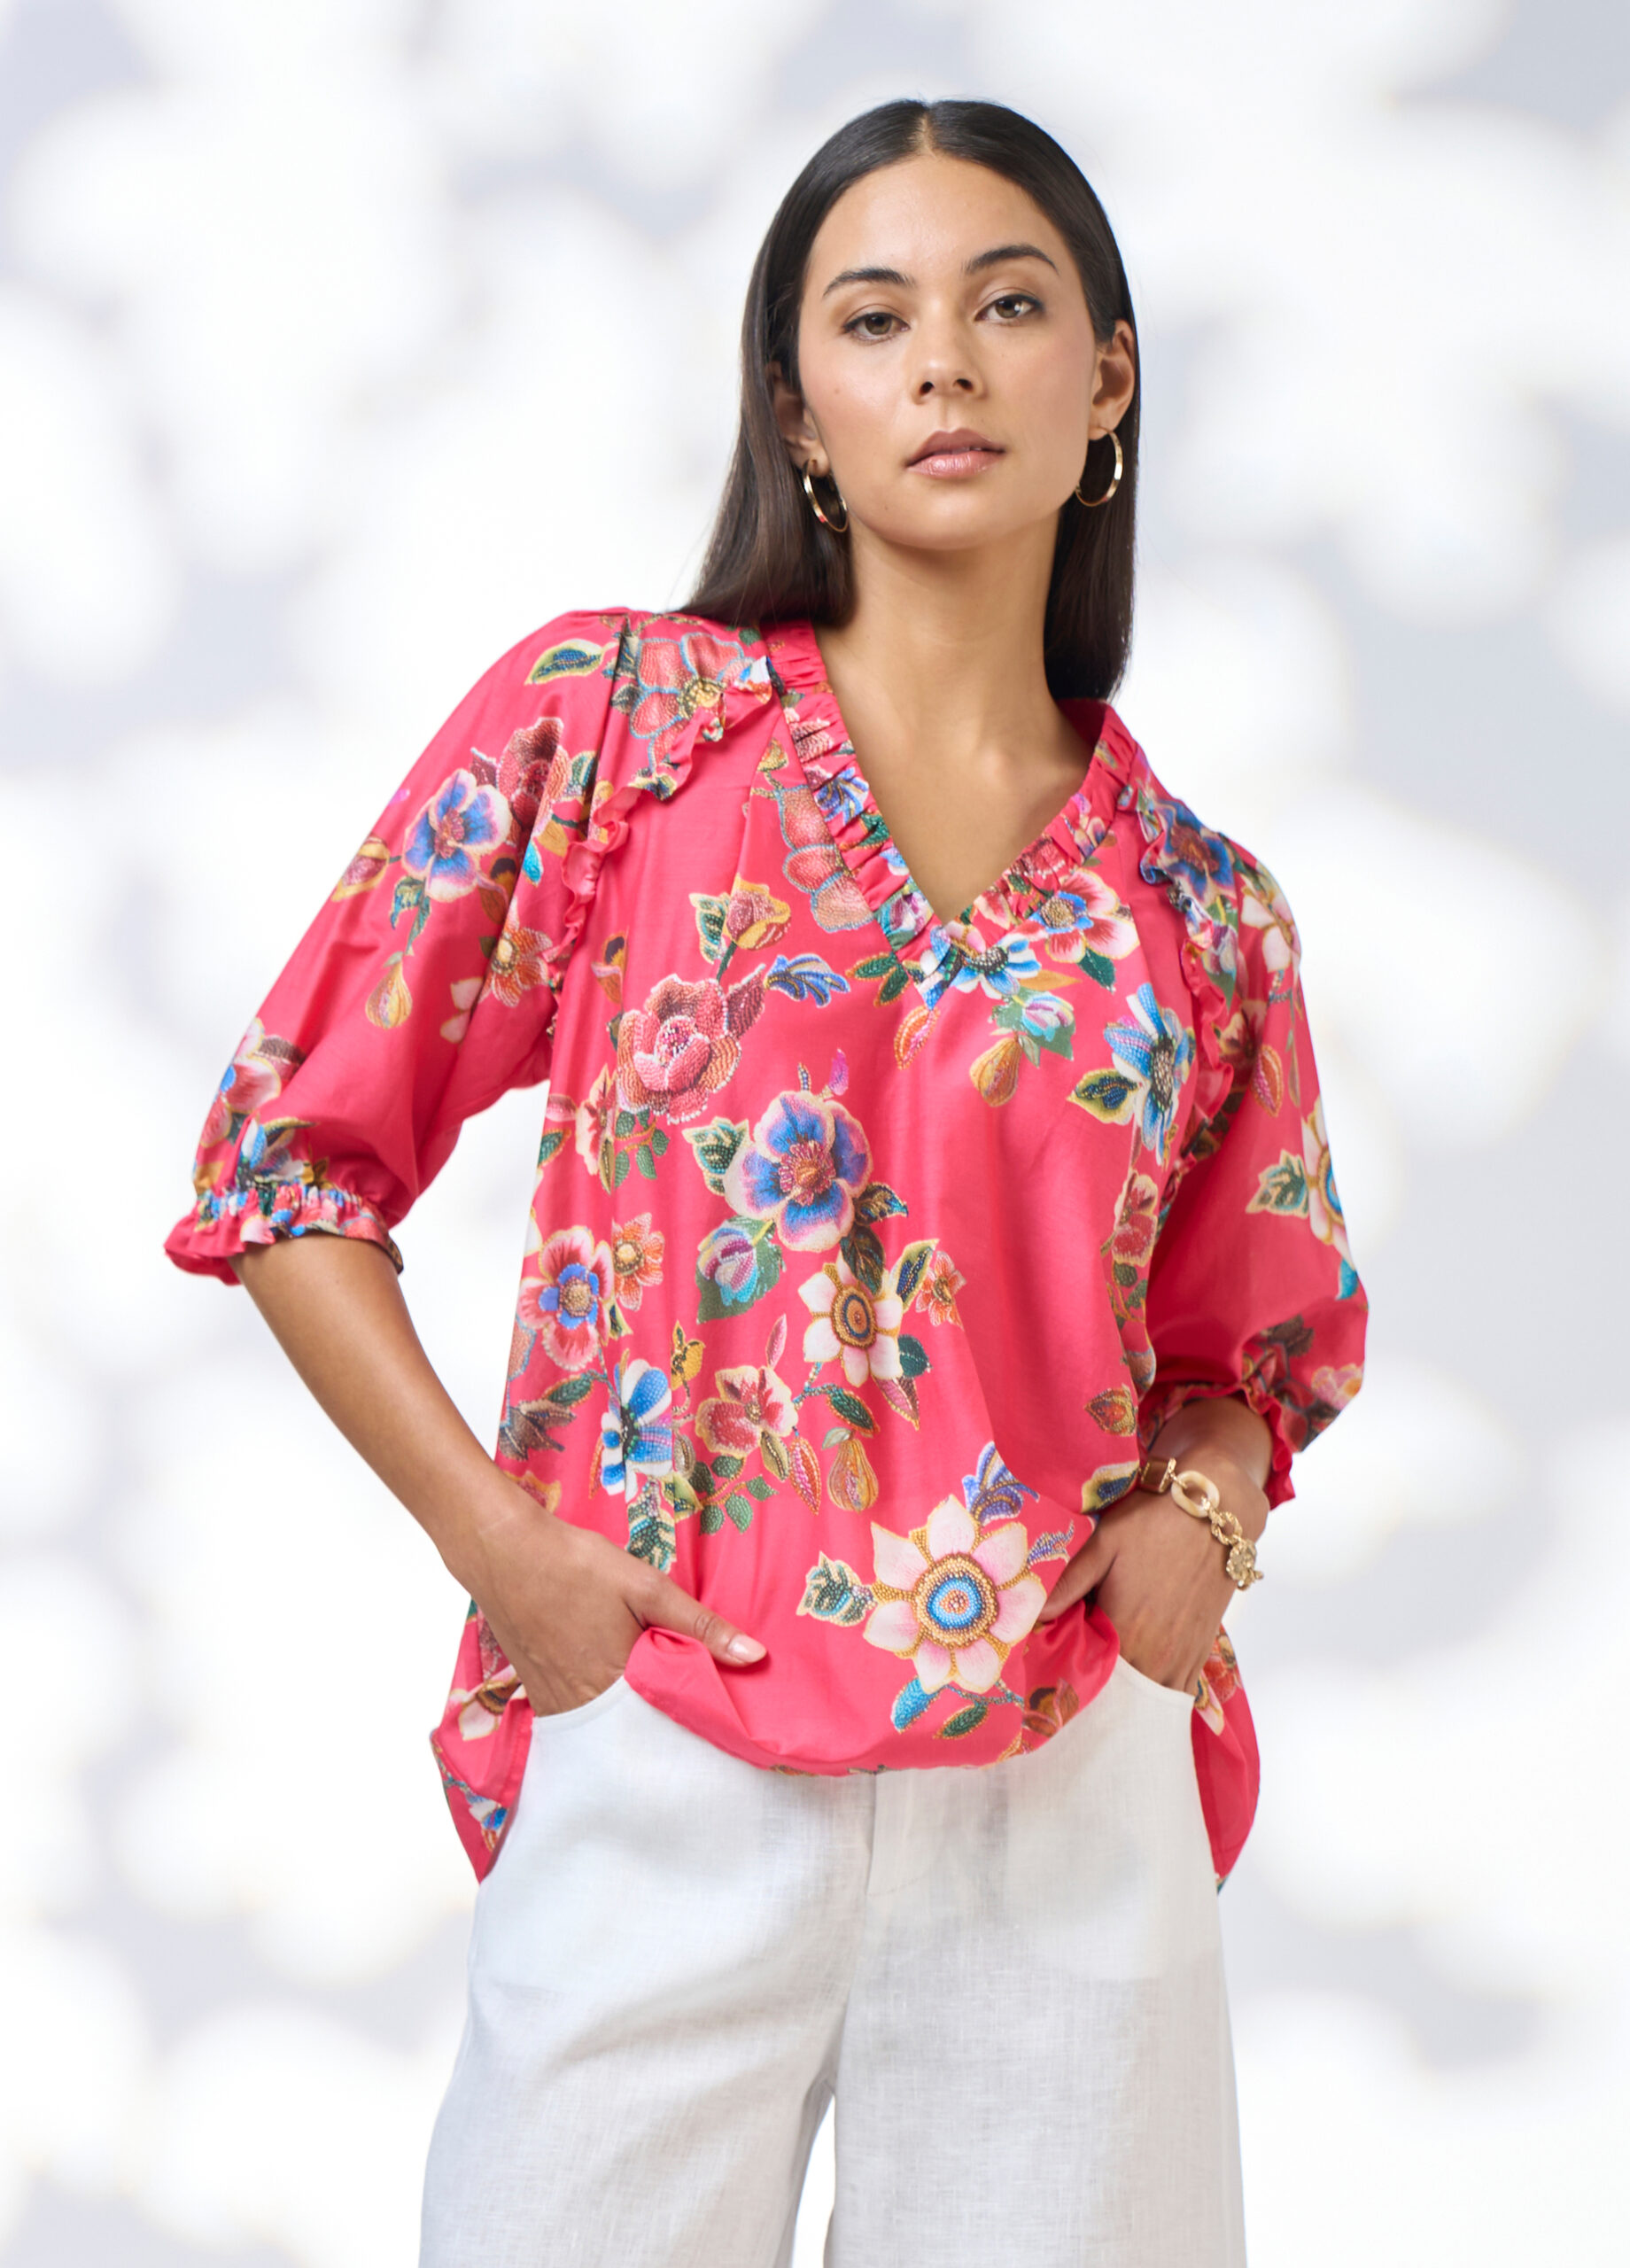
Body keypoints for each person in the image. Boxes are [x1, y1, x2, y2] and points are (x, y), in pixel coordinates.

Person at [166, 96, 1366, 2268]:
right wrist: (505, 1551)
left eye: (1009, 305)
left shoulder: (1198, 909)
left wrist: (1197, 1523)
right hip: (664, 1730)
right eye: (872, 316)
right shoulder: (616, 733)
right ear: (795, 406)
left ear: (1103, 380)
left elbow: (1249, 1354)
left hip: (1060, 1786)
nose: (944, 361)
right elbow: (288, 1163)